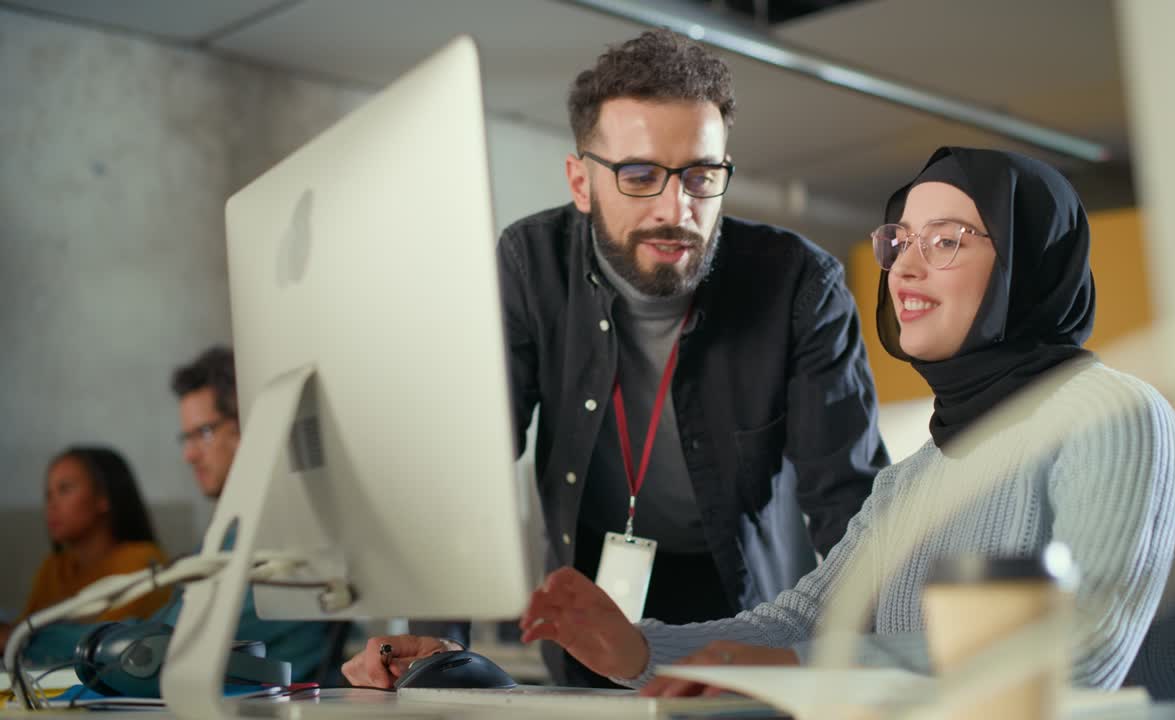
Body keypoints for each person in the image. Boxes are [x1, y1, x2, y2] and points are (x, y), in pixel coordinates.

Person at [499, 147, 1175, 699]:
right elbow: (799, 623)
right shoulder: (913, 479)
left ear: (1027, 266)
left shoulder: (1111, 414)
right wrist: (638, 648)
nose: (903, 269)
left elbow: (1080, 652)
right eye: (900, 240)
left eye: (947, 241)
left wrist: (798, 667)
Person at [342, 29, 889, 688]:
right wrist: (437, 643)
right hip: (590, 607)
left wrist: (881, 668)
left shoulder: (801, 283)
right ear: (581, 181)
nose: (675, 208)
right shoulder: (530, 265)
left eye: (700, 175)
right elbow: (470, 469)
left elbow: (850, 502)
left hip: (741, 617)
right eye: (639, 176)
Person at [18, 347, 333, 683]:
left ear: (249, 426)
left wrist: (28, 639)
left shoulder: (272, 534)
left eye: (205, 433)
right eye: (187, 437)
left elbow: (166, 641)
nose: (189, 454)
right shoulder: (227, 533)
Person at [0, 447, 170, 649]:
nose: (52, 504)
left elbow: (107, 644)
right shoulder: (53, 566)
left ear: (103, 497)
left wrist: (19, 639)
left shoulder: (142, 560)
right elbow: (20, 632)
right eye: (48, 494)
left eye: (65, 489)